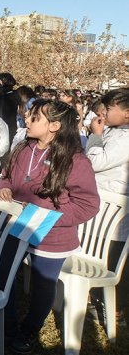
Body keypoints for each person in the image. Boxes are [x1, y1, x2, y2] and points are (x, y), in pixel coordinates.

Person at [0, 99, 100, 354]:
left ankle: (30, 330)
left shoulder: (75, 161)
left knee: (42, 285)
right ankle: (5, 323)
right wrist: (4, 187)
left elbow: (87, 205)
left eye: (34, 117)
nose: (26, 120)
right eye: (28, 115)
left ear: (55, 126)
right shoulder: (23, 148)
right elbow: (6, 176)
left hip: (53, 235)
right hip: (16, 226)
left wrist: (50, 214)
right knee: (3, 273)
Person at [85, 88, 129, 324]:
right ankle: (96, 298)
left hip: (114, 207)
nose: (105, 112)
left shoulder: (126, 138)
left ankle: (115, 310)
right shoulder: (115, 132)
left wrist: (95, 135)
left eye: (110, 108)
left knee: (113, 258)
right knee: (99, 253)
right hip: (102, 204)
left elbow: (96, 161)